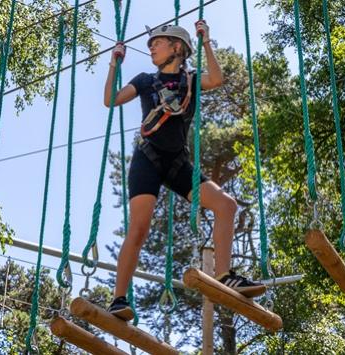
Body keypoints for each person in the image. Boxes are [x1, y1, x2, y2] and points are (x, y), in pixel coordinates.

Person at [102, 20, 266, 321]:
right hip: (147, 160)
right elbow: (110, 100)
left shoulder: (190, 80)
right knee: (139, 228)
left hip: (178, 162)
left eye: (158, 42)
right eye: (150, 43)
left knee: (227, 205)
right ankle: (119, 299)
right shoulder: (144, 80)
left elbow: (216, 79)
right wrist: (115, 63)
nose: (151, 46)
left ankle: (225, 274)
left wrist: (206, 42)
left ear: (177, 48)